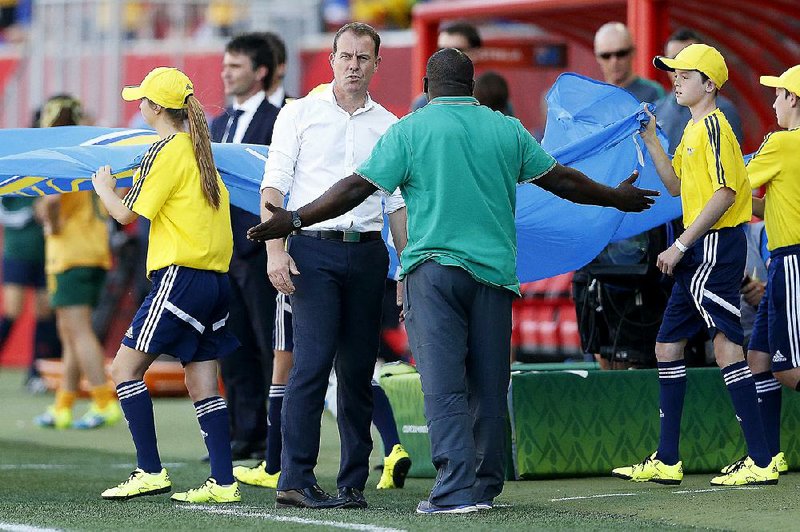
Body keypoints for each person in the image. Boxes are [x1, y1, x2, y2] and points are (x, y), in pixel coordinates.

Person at [247, 47, 657, 513]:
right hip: (496, 275)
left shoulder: (410, 129)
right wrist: (614, 198)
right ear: (472, 85)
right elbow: (561, 180)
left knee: (443, 383)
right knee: (488, 380)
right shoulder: (505, 128)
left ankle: (455, 489)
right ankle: (485, 484)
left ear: (426, 85)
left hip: (434, 273)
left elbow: (357, 188)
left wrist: (296, 219)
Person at [255, 22, 407, 510]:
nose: (354, 66)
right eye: (346, 56)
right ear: (332, 59)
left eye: (364, 58)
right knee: (313, 363)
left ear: (377, 64)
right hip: (312, 253)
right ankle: (295, 479)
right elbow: (273, 189)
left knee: (360, 370)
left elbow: (397, 205)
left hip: (366, 253)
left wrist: (405, 270)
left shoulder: (390, 125)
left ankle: (352, 484)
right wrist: (276, 251)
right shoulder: (299, 114)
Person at [611, 44, 778, 486]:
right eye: (674, 74)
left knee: (727, 347)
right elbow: (676, 188)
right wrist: (650, 139)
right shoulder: (692, 128)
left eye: (685, 75)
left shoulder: (716, 127)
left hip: (711, 248)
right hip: (704, 249)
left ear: (710, 84)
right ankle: (668, 459)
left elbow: (724, 193)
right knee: (667, 347)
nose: (675, 80)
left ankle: (761, 461)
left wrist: (682, 245)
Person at [92, 67, 241, 503]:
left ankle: (149, 470)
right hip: (215, 279)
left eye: (142, 100)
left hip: (180, 276)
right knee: (203, 384)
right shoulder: (201, 148)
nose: (138, 106)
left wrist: (103, 188)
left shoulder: (164, 149)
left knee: (123, 369)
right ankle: (224, 482)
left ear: (155, 107)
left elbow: (125, 215)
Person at [234, 289, 412, 491]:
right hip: (356, 277)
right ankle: (392, 447)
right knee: (355, 370)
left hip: (304, 277)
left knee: (284, 371)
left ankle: (274, 467)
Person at [210, 32, 279, 462]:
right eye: (225, 64)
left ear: (261, 71)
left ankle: (275, 438)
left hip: (260, 250)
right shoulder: (217, 124)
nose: (225, 72)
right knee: (231, 348)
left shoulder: (280, 119)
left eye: (235, 65)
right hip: (222, 252)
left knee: (270, 345)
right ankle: (242, 434)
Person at [32, 94, 121, 430]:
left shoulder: (59, 157)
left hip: (71, 254)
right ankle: (64, 404)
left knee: (77, 330)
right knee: (69, 332)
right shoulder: (88, 153)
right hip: (93, 250)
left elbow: (52, 202)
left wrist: (51, 224)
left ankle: (103, 400)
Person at [735, 64, 800, 476]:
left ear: (793, 99)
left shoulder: (781, 144)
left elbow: (732, 185)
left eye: (778, 94)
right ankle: (768, 457)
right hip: (785, 259)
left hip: (791, 259)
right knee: (758, 357)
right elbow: (762, 204)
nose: (773, 100)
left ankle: (766, 457)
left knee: (787, 367)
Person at [0, 195, 59, 393]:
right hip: (17, 252)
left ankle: (35, 373)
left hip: (47, 252)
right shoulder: (11, 171)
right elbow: (4, 214)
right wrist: (30, 212)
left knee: (45, 312)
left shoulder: (48, 174)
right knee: (12, 311)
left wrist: (47, 209)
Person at [654, 28, 743, 154]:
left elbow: (727, 168)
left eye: (687, 63)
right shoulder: (657, 110)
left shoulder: (723, 111)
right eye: (673, 61)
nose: (678, 69)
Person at [409, 21, 481, 113]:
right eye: (441, 50)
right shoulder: (423, 104)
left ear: (476, 53)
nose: (447, 56)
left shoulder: (490, 97)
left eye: (457, 50)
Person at [594, 22, 664, 103]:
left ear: (633, 52)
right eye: (606, 56)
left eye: (621, 54)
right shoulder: (594, 98)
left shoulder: (653, 92)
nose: (614, 61)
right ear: (597, 57)